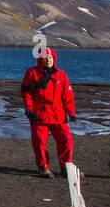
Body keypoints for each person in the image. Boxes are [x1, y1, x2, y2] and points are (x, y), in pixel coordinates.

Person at [20, 46, 77, 178]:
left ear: (54, 59)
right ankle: (43, 167)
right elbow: (26, 92)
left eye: (50, 58)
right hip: (39, 112)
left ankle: (66, 167)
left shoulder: (60, 74)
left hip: (58, 112)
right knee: (39, 141)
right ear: (40, 59)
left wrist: (71, 112)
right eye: (45, 58)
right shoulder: (32, 73)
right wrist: (29, 108)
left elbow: (67, 95)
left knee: (66, 139)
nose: (48, 60)